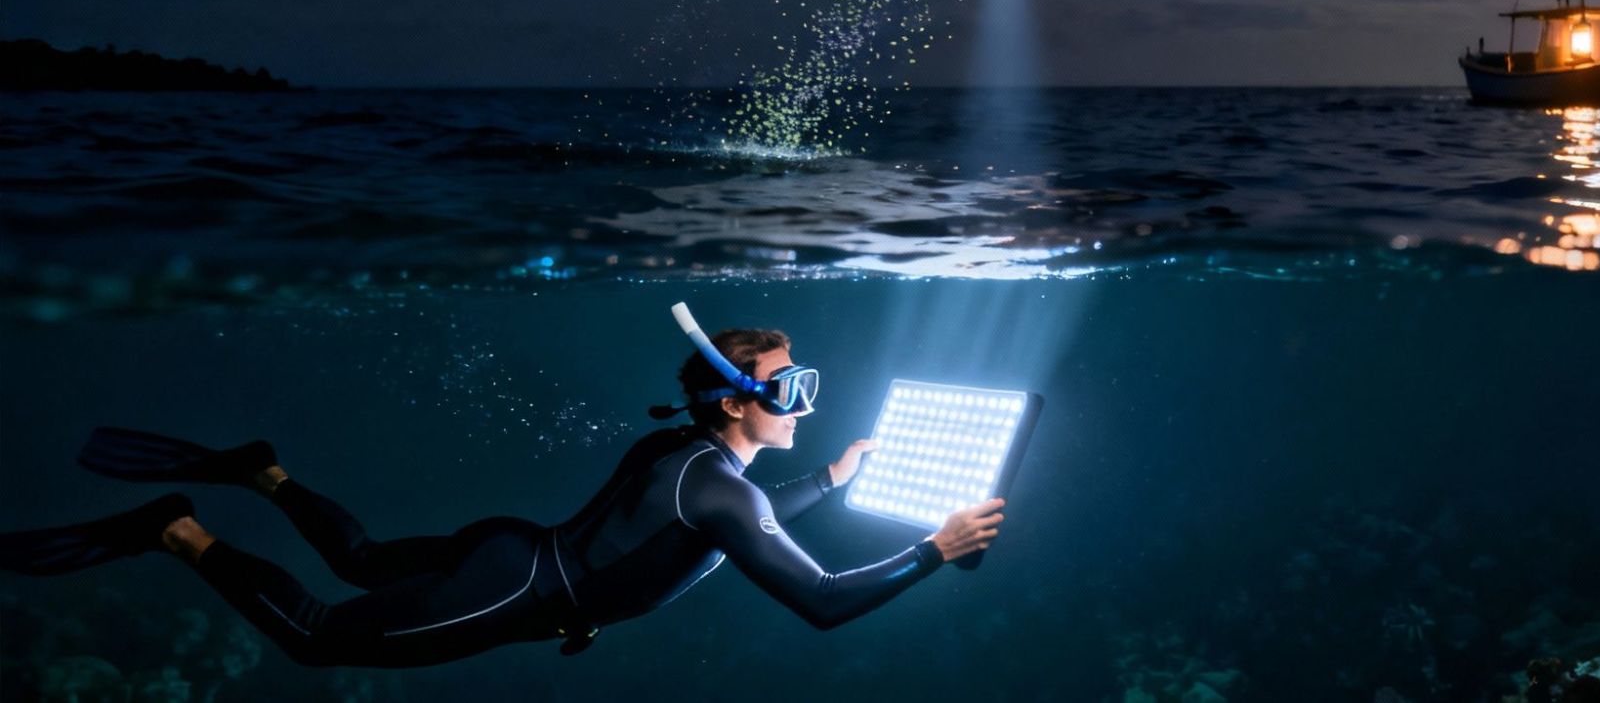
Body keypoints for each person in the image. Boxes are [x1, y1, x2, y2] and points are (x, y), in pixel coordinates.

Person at [0, 312, 1005, 668]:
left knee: (357, 557)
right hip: (513, 588)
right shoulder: (724, 492)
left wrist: (828, 482)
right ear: (740, 401)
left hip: (512, 551)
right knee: (314, 635)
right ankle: (177, 529)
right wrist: (935, 549)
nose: (802, 400)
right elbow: (821, 602)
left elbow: (694, 537)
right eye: (790, 386)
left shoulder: (701, 464)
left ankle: (264, 470)